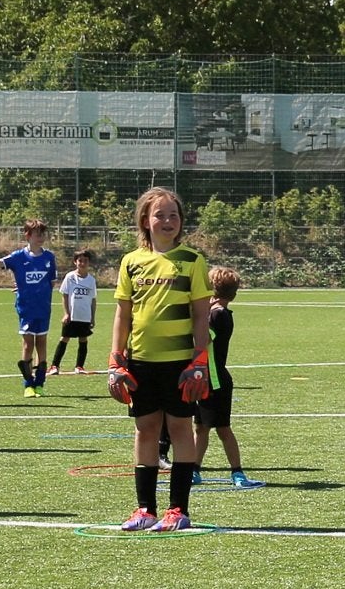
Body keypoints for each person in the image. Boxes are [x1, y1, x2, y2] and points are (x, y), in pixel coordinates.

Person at [111, 186, 221, 531]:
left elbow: (202, 316)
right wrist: (116, 361)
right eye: (160, 214)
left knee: (178, 429)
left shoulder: (192, 260)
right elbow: (122, 315)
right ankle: (145, 509)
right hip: (141, 360)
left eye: (174, 215)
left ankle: (178, 510)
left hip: (180, 364)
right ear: (146, 219)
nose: (168, 220)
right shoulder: (131, 262)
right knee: (145, 429)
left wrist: (199, 360)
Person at [193, 266, 254, 488]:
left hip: (216, 380)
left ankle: (237, 473)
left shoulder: (219, 315)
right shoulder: (213, 311)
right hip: (203, 379)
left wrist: (195, 313)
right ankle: (194, 469)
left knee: (222, 429)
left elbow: (203, 339)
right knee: (200, 427)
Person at [4, 220, 59, 398]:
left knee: (42, 343)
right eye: (37, 234)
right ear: (27, 235)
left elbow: (51, 282)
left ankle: (40, 383)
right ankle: (28, 383)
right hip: (26, 308)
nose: (41, 237)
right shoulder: (18, 256)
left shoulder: (49, 257)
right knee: (28, 344)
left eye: (43, 234)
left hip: (43, 308)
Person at [54, 250, 101, 374]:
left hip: (85, 315)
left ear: (89, 263)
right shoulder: (70, 277)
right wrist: (66, 313)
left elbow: (93, 299)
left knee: (83, 339)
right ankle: (55, 366)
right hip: (72, 315)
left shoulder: (91, 280)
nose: (83, 263)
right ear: (75, 262)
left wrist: (92, 317)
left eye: (85, 261)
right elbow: (64, 295)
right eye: (80, 260)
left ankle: (79, 366)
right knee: (64, 338)